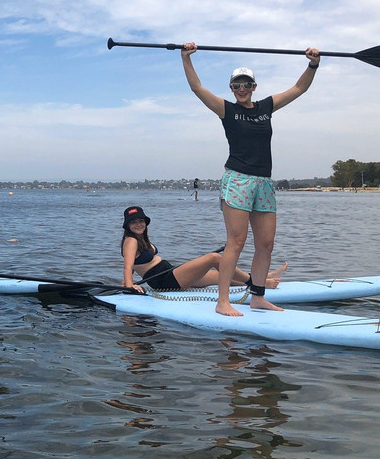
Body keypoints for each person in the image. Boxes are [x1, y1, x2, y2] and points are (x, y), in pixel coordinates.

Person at [181, 42, 319, 316]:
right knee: (236, 241)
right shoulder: (226, 110)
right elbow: (198, 89)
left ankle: (257, 297)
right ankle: (223, 302)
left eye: (246, 85)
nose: (241, 90)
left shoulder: (266, 107)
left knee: (266, 244)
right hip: (238, 180)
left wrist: (312, 64)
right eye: (236, 85)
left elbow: (299, 88)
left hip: (264, 182)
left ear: (254, 86)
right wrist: (186, 58)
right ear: (231, 88)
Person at [119, 205, 286, 294]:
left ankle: (259, 278)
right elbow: (128, 266)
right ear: (128, 225)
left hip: (169, 273)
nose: (138, 224)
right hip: (165, 281)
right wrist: (129, 285)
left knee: (220, 275)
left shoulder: (140, 239)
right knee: (214, 258)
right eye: (134, 222)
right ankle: (255, 284)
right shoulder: (131, 240)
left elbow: (134, 264)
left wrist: (129, 280)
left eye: (141, 220)